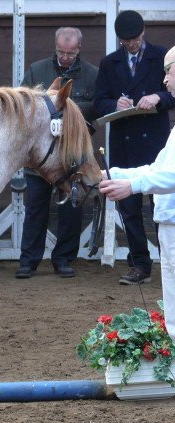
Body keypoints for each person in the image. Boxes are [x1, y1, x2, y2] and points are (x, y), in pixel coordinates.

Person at [99, 45, 175, 361]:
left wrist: (131, 185)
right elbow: (158, 168)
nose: (166, 80)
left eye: (169, 71)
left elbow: (169, 176)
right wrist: (110, 173)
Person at [94, 10, 175, 285]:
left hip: (155, 140)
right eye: (126, 41)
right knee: (128, 209)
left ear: (144, 34)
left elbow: (171, 94)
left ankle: (168, 259)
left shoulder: (162, 55)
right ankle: (140, 264)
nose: (132, 44)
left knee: (159, 202)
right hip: (124, 139)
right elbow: (98, 101)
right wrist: (114, 104)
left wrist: (157, 97)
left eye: (136, 39)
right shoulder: (109, 63)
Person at [15, 27, 98, 279]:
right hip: (40, 156)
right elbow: (22, 103)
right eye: (61, 52)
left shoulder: (93, 74)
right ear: (55, 47)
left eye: (70, 53)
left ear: (78, 49)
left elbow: (97, 105)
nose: (64, 57)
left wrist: (66, 108)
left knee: (72, 209)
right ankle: (28, 261)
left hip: (72, 156)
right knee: (35, 208)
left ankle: (63, 259)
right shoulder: (36, 70)